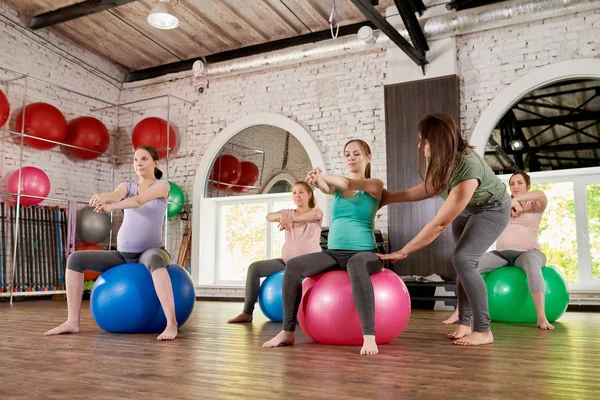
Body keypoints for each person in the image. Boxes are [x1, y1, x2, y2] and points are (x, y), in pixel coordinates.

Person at [378, 114, 510, 346]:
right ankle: (464, 323)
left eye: (424, 141)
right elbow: (431, 187)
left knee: (463, 260)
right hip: (468, 208)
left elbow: (439, 224)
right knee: (462, 263)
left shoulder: (468, 167)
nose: (420, 146)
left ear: (438, 141)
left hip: (492, 209)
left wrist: (404, 251)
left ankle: (484, 330)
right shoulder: (438, 157)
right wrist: (391, 197)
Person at [263, 139, 384, 356]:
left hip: (366, 253)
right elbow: (327, 187)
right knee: (293, 266)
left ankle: (368, 335)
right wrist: (316, 181)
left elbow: (345, 183)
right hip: (334, 253)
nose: (351, 158)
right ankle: (287, 331)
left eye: (356, 154)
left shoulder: (374, 184)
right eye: (347, 154)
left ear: (368, 157)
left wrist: (321, 177)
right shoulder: (336, 187)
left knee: (356, 265)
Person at [45, 145, 178, 341]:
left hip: (151, 251)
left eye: (144, 159)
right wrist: (103, 198)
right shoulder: (127, 186)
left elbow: (138, 201)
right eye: (135, 160)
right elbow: (116, 194)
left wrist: (112, 207)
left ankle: (171, 323)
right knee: (75, 259)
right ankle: (72, 321)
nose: (138, 164)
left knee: (156, 260)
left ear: (155, 162)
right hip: (123, 255)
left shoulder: (162, 186)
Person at [441, 171, 552, 329]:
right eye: (512, 183)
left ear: (528, 186)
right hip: (502, 255)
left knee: (532, 263)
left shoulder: (535, 205)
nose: (515, 186)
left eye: (519, 183)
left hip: (529, 252)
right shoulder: (504, 206)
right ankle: (460, 312)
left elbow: (540, 195)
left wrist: (517, 200)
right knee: (466, 265)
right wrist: (510, 203)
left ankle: (541, 317)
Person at [228, 181, 323, 323]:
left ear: (309, 194)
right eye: (294, 192)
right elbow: (269, 216)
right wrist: (281, 217)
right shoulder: (287, 212)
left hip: (309, 265)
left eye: (301, 192)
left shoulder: (316, 212)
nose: (297, 195)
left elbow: (314, 216)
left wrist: (291, 220)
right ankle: (247, 312)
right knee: (254, 268)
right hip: (287, 262)